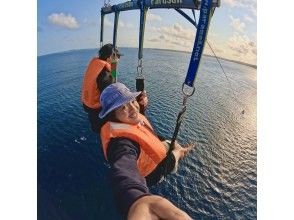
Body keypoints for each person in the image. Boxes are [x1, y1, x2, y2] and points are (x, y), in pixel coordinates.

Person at [98, 82, 194, 220]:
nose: (132, 108)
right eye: (123, 107)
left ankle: (179, 147)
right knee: (179, 151)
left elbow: (137, 113)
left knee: (173, 144)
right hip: (154, 170)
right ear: (112, 116)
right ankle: (184, 151)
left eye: (132, 100)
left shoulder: (127, 119)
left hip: (153, 149)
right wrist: (136, 199)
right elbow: (123, 168)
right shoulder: (121, 144)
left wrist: (142, 105)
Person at [81, 44, 148, 133]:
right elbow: (113, 96)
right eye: (118, 56)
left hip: (87, 103)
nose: (119, 59)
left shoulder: (97, 64)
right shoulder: (104, 75)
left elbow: (110, 76)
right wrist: (139, 103)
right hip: (96, 108)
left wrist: (113, 65)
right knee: (109, 122)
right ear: (110, 57)